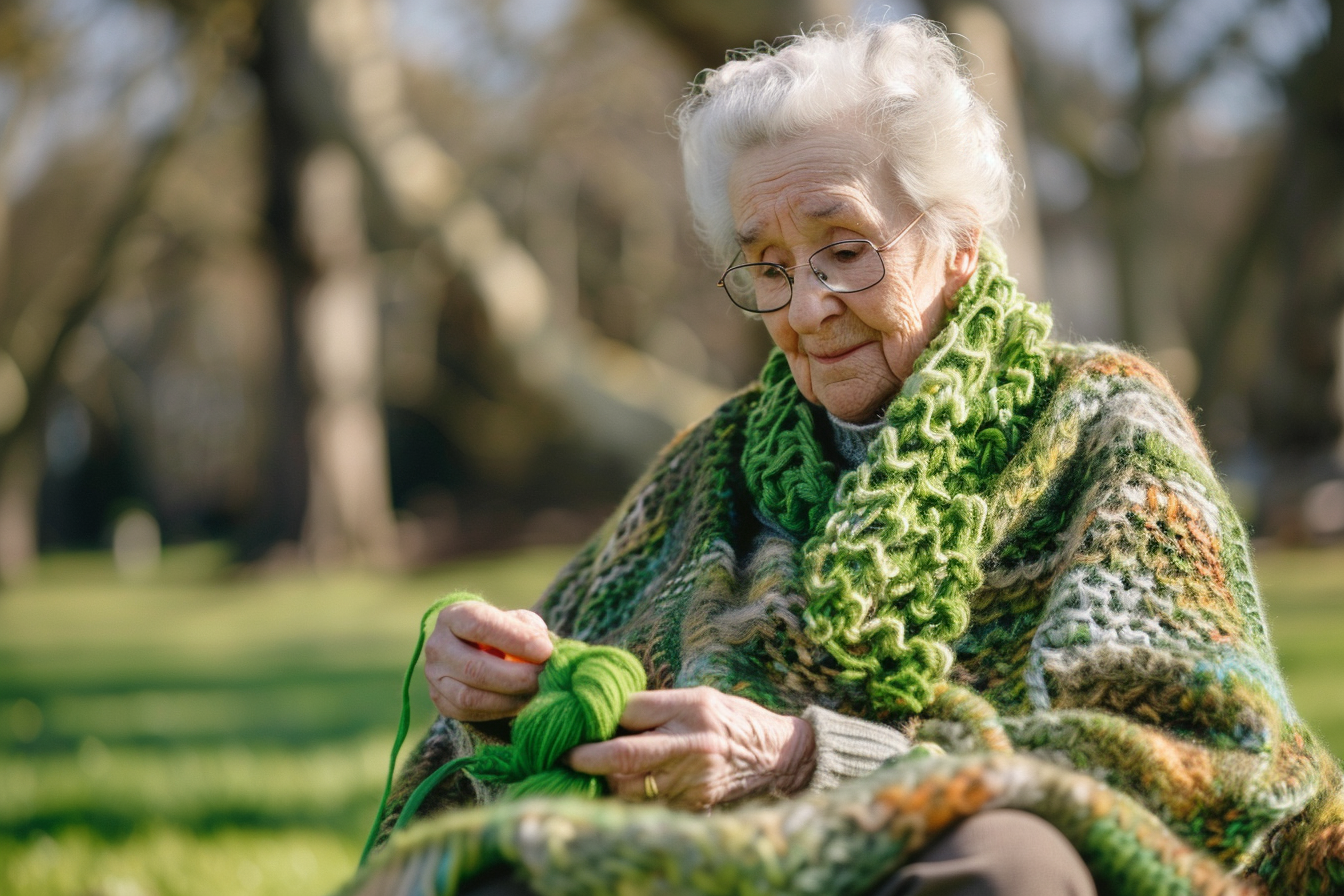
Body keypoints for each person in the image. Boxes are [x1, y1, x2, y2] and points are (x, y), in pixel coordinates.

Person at [348, 19, 1344, 896]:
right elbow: (546, 731)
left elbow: (1206, 757)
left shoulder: (1102, 422)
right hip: (724, 870)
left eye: (846, 248)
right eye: (772, 267)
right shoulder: (713, 463)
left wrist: (804, 757)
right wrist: (500, 693)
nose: (809, 307)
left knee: (1008, 860)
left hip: (941, 860)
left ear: (957, 239)